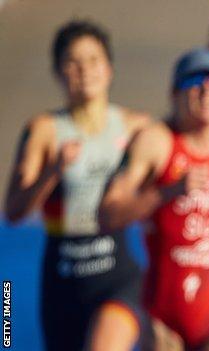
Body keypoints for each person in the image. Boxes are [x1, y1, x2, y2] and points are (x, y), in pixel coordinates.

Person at [4, 20, 150, 351]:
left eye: (94, 60)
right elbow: (14, 212)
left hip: (118, 277)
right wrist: (52, 171)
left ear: (109, 69)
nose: (85, 70)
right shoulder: (43, 130)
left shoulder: (136, 127)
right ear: (58, 72)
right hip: (62, 282)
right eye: (73, 61)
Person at [98, 48, 209, 351]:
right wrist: (167, 191)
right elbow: (107, 215)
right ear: (174, 94)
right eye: (194, 80)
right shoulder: (156, 141)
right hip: (165, 315)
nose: (206, 88)